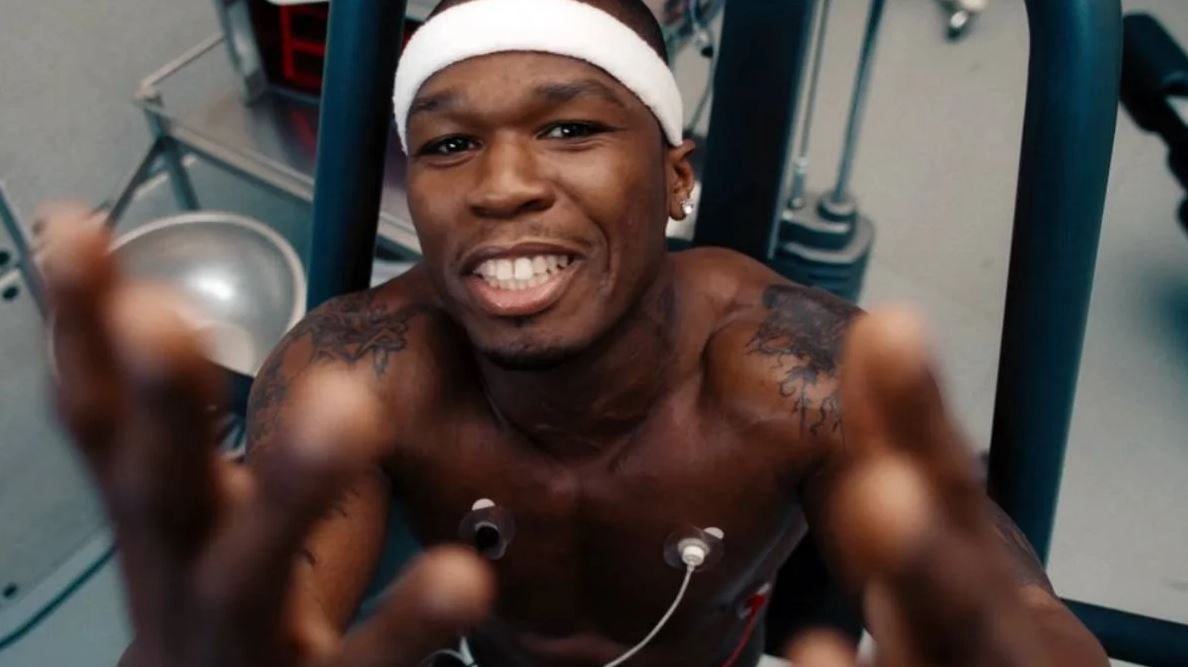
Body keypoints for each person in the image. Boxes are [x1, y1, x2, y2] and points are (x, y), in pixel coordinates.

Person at [40, 0, 1110, 665]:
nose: (504, 185)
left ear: (676, 178)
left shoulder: (794, 371)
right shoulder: (362, 371)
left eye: (569, 128)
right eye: (449, 146)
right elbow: (268, 598)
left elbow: (992, 595)